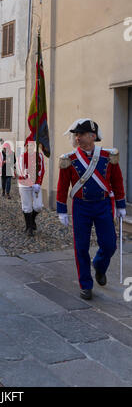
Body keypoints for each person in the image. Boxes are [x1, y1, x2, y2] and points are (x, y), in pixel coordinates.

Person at [57, 118, 126, 300]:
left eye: (81, 134)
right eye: (76, 134)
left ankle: (99, 265)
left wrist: (120, 205)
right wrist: (62, 209)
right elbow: (63, 185)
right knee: (81, 247)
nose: (77, 137)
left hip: (103, 205)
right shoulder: (69, 159)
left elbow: (117, 181)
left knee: (109, 244)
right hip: (81, 207)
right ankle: (85, 285)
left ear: (92, 136)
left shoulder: (107, 156)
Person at [17, 135, 45, 236]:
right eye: (29, 145)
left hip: (36, 185)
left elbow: (42, 170)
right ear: (26, 146)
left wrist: (38, 183)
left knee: (38, 206)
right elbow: (21, 171)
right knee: (27, 206)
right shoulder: (21, 157)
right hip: (24, 184)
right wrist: (29, 180)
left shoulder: (39, 156)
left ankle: (32, 220)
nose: (31, 147)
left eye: (33, 145)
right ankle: (29, 227)